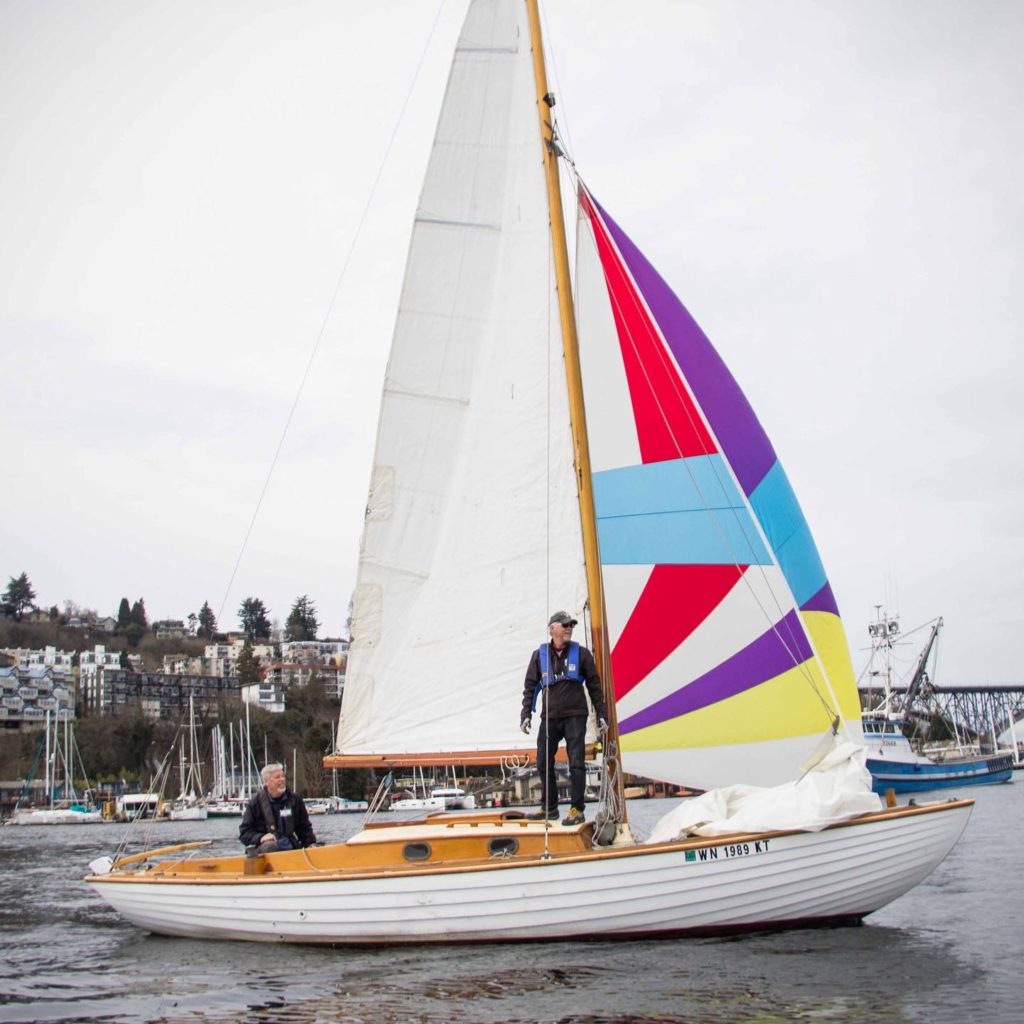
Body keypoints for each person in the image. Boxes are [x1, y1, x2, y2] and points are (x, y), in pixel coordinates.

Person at [520, 610, 608, 826]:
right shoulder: (539, 656)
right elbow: (530, 687)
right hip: (549, 716)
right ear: (552, 629)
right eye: (565, 625)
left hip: (575, 715)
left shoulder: (582, 654)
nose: (569, 628)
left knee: (576, 762)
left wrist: (601, 714)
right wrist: (526, 714)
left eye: (571, 625)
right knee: (543, 762)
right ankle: (549, 808)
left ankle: (577, 809)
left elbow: (594, 686)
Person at [239, 762, 318, 853]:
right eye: (277, 777)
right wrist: (261, 837)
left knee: (315, 847)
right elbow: (245, 833)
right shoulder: (255, 803)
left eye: (283, 776)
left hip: (289, 846)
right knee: (270, 846)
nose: (282, 779)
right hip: (265, 849)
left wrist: (311, 844)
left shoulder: (294, 800)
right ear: (267, 782)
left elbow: (304, 827)